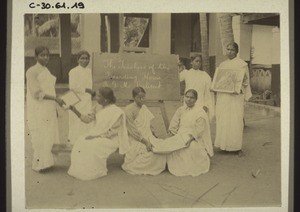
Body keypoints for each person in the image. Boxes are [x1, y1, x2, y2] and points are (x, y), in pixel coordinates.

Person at [68, 87, 130, 180]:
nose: (96, 98)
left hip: (110, 138)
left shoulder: (117, 112)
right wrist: (74, 110)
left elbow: (112, 132)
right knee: (80, 141)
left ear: (106, 99)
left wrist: (95, 137)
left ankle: (94, 171)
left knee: (93, 145)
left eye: (98, 96)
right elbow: (87, 119)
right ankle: (81, 170)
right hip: (96, 134)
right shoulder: (97, 106)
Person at [26, 46, 65, 172]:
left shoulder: (46, 70)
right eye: (42, 55)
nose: (46, 57)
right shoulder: (32, 71)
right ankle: (40, 164)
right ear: (36, 57)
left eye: (47, 55)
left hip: (49, 106)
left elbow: (49, 89)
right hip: (39, 107)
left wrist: (56, 99)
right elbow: (36, 93)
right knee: (41, 133)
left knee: (50, 133)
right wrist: (55, 98)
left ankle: (48, 162)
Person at [213, 42, 252, 156]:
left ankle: (235, 146)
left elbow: (246, 82)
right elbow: (219, 81)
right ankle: (223, 145)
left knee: (235, 120)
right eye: (228, 49)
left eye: (232, 50)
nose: (229, 52)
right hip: (224, 96)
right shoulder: (222, 65)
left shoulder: (242, 64)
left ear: (236, 51)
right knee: (223, 119)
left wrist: (242, 80)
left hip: (235, 97)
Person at [166, 89, 214, 177]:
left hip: (194, 137)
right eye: (187, 97)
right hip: (180, 135)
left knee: (191, 149)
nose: (189, 99)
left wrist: (191, 139)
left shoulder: (200, 112)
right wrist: (173, 135)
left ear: (196, 99)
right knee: (173, 147)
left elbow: (199, 130)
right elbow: (174, 123)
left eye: (192, 98)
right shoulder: (181, 110)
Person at [122, 87, 167, 175]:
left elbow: (149, 125)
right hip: (136, 140)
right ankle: (132, 165)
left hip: (148, 137)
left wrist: (154, 135)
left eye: (144, 97)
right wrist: (146, 142)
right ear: (134, 97)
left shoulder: (144, 107)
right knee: (151, 155)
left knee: (162, 149)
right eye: (139, 98)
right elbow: (133, 131)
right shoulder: (128, 110)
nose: (142, 100)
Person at [67, 50, 94, 145]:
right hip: (77, 100)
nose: (85, 60)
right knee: (76, 121)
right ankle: (75, 142)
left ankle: (85, 142)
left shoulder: (89, 71)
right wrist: (87, 90)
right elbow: (72, 87)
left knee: (86, 120)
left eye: (87, 58)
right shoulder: (73, 71)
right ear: (78, 60)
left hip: (87, 100)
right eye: (82, 58)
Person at [179, 55, 215, 121]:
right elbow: (175, 78)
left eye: (200, 61)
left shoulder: (204, 75)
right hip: (189, 100)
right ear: (191, 62)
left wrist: (206, 105)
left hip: (200, 102)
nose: (198, 63)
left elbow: (208, 91)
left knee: (199, 121)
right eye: (196, 61)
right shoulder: (186, 73)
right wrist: (179, 68)